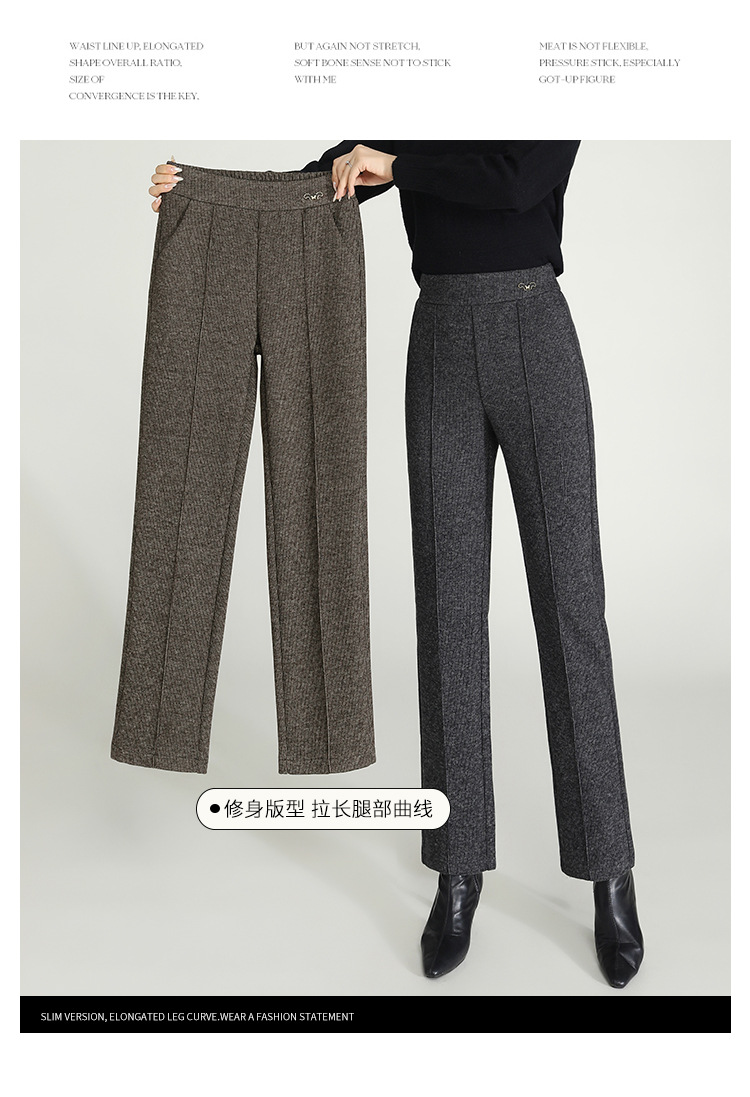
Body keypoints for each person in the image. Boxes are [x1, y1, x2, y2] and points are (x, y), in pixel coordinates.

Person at [147, 142, 644, 988]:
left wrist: (402, 163)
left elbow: (518, 180)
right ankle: (457, 870)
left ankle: (611, 872)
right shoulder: (417, 92)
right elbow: (328, 179)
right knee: (447, 611)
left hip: (534, 327)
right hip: (440, 334)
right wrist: (202, 192)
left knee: (571, 606)